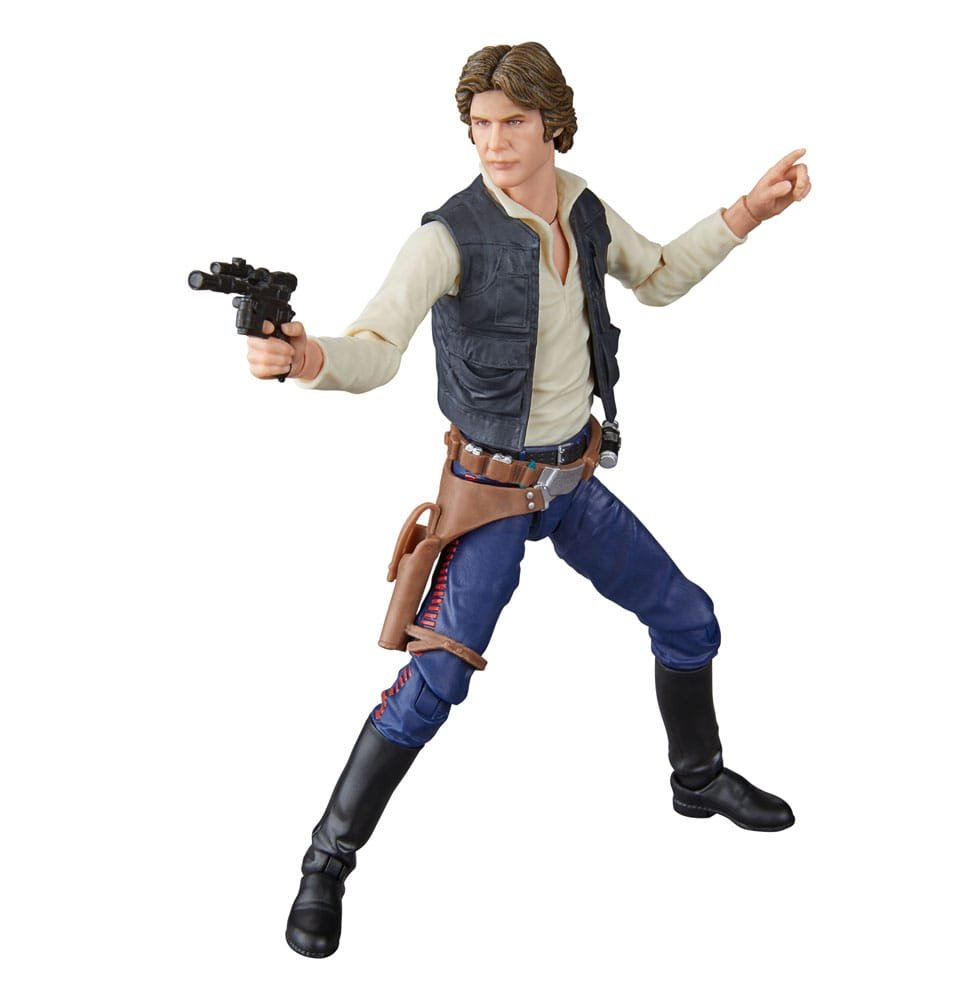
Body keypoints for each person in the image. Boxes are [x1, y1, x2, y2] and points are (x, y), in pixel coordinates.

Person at [246, 42, 811, 958]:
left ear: (554, 124)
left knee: (690, 620)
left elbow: (658, 276)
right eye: (479, 125)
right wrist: (307, 358)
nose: (494, 142)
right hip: (488, 495)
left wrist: (749, 211)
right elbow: (377, 348)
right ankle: (326, 862)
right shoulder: (446, 238)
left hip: (573, 480)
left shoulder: (581, 206)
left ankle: (697, 777)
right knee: (434, 682)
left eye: (513, 122)